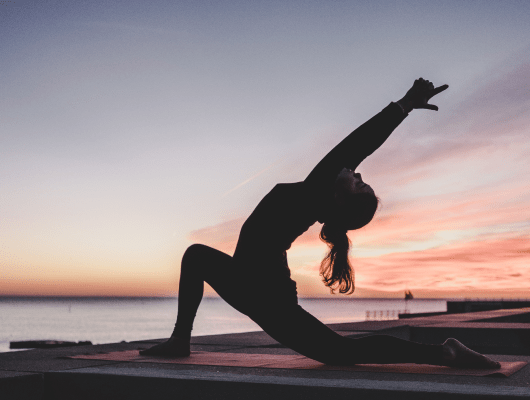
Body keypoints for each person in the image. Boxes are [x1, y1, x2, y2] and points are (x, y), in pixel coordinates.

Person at [141, 78, 500, 369]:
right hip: (250, 283)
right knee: (196, 256)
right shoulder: (314, 198)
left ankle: (443, 352)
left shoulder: (316, 193)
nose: (356, 172)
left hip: (264, 294)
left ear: (340, 200)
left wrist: (404, 104)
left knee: (341, 354)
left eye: (358, 182)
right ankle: (180, 340)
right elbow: (356, 151)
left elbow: (359, 143)